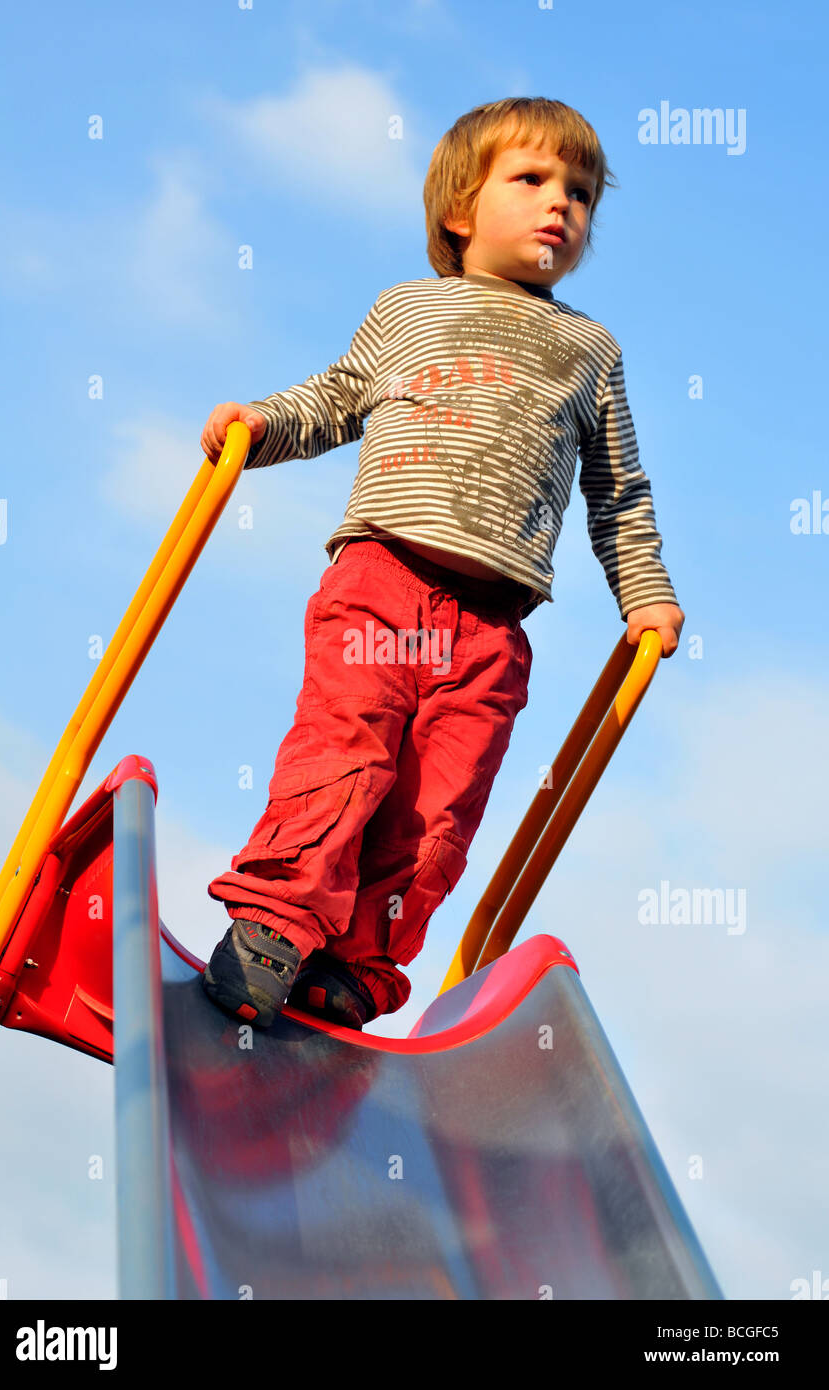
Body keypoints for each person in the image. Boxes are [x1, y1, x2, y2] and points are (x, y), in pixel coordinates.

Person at [200, 96, 685, 1031]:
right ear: (459, 208)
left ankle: (355, 963)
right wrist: (258, 426)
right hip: (384, 578)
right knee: (346, 752)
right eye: (533, 180)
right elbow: (337, 397)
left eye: (581, 194)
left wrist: (646, 595)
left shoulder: (590, 349)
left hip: (493, 626)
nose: (562, 206)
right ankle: (274, 922)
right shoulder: (411, 308)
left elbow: (618, 491)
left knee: (437, 810)